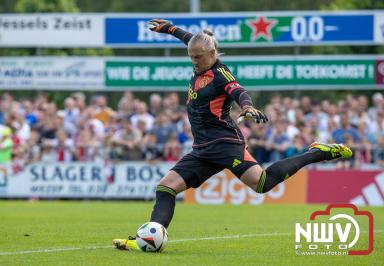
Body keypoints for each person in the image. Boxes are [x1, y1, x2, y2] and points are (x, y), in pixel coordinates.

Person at [113, 19, 352, 251]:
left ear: (212, 53)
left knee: (262, 184)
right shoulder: (200, 50)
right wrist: (171, 29)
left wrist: (247, 107)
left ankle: (316, 153)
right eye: (191, 57)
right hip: (203, 149)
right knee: (165, 187)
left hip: (225, 143)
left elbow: (238, 90)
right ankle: (147, 238)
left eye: (198, 57)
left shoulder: (220, 74)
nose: (194, 62)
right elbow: (190, 39)